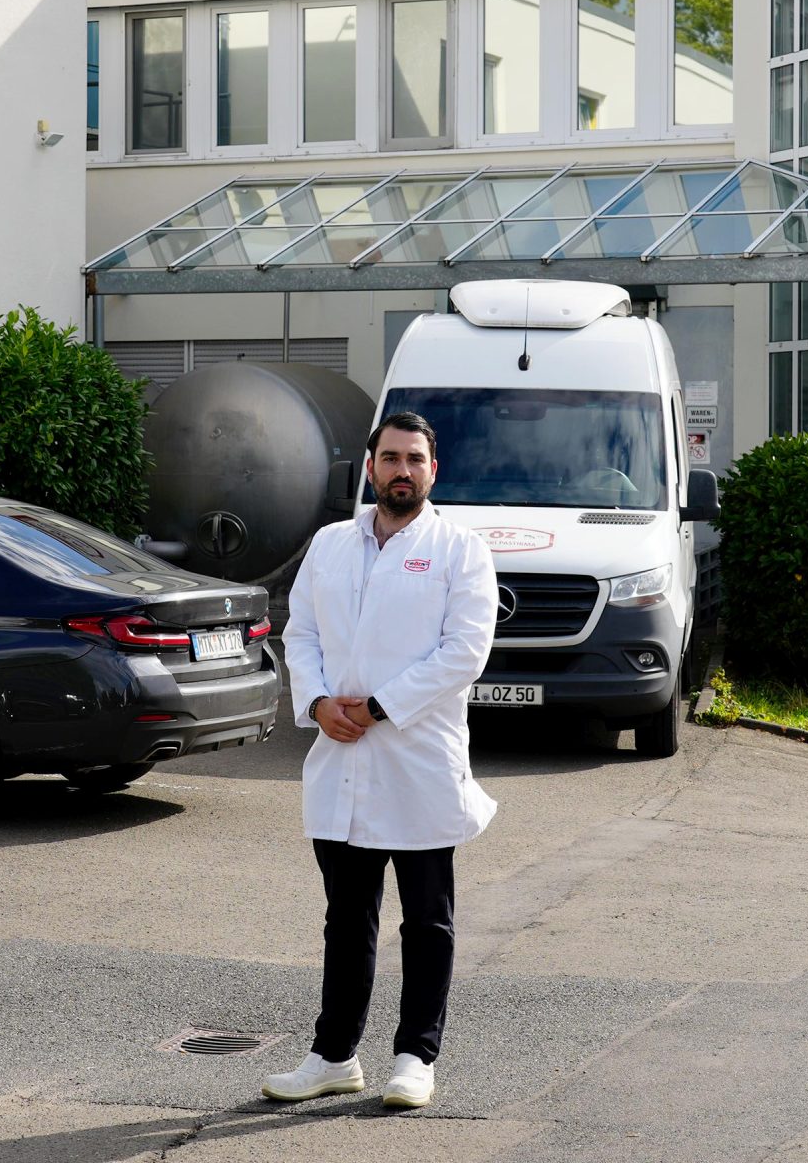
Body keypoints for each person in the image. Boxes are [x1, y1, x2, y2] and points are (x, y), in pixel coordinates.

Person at [262, 410, 498, 1111]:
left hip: (418, 761)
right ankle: (334, 1056)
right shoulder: (331, 544)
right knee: (346, 920)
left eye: (414, 459)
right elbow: (300, 632)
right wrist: (317, 702)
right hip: (340, 759)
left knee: (427, 922)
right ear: (369, 468)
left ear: (433, 470)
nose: (402, 470)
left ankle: (415, 1058)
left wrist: (379, 707)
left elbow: (464, 652)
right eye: (390, 458)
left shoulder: (460, 550)